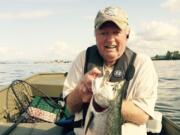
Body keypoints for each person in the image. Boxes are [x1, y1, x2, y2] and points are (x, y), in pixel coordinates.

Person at [63, 6, 158, 135]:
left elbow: (143, 116)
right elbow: (70, 107)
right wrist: (80, 91)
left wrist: (108, 101)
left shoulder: (142, 63)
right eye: (104, 33)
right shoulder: (82, 58)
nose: (110, 39)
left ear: (127, 33)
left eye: (116, 32)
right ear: (95, 34)